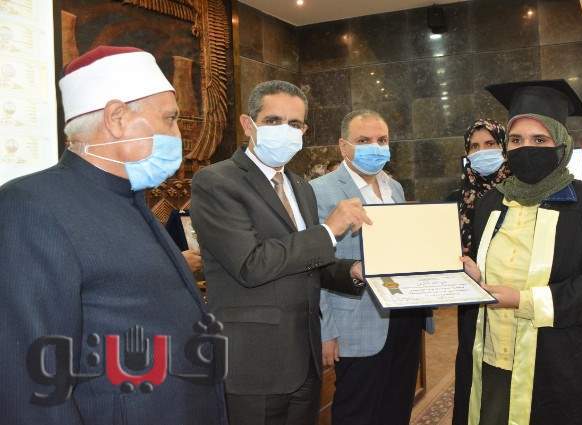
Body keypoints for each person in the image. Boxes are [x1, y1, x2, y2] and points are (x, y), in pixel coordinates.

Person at [0, 46, 227, 424]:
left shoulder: (130, 198)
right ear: (117, 118)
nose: (178, 135)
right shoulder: (31, 206)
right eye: (170, 119)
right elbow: (34, 384)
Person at [190, 80, 372, 425]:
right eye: (274, 121)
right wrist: (328, 230)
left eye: (295, 123)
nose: (285, 131)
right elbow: (251, 264)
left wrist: (349, 270)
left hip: (304, 356)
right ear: (248, 124)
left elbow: (306, 262)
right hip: (253, 362)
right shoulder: (217, 181)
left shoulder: (300, 185)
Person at [453, 79, 582, 425]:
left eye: (539, 140)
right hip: (493, 355)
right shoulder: (492, 202)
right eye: (516, 140)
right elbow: (497, 269)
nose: (525, 149)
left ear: (560, 144)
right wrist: (477, 275)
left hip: (562, 364)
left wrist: (523, 300)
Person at [310, 109, 434, 425]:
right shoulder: (319, 191)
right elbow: (314, 264)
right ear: (343, 146)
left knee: (396, 407)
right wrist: (325, 330)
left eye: (382, 140)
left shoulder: (395, 187)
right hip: (357, 324)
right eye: (364, 140)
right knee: (357, 413)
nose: (375, 147)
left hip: (404, 317)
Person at [454, 119, 511, 255]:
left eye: (490, 144)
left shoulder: (520, 192)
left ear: (504, 146)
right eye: (474, 146)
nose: (482, 151)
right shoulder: (457, 198)